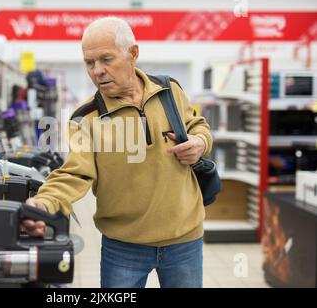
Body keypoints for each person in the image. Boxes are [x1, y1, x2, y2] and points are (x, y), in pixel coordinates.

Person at [22, 16, 213, 288]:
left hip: (185, 240)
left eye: (106, 59)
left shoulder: (170, 91)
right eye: (90, 63)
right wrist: (44, 203)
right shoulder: (85, 119)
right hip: (124, 249)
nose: (97, 70)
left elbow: (198, 124)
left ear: (133, 53)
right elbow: (74, 174)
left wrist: (200, 142)